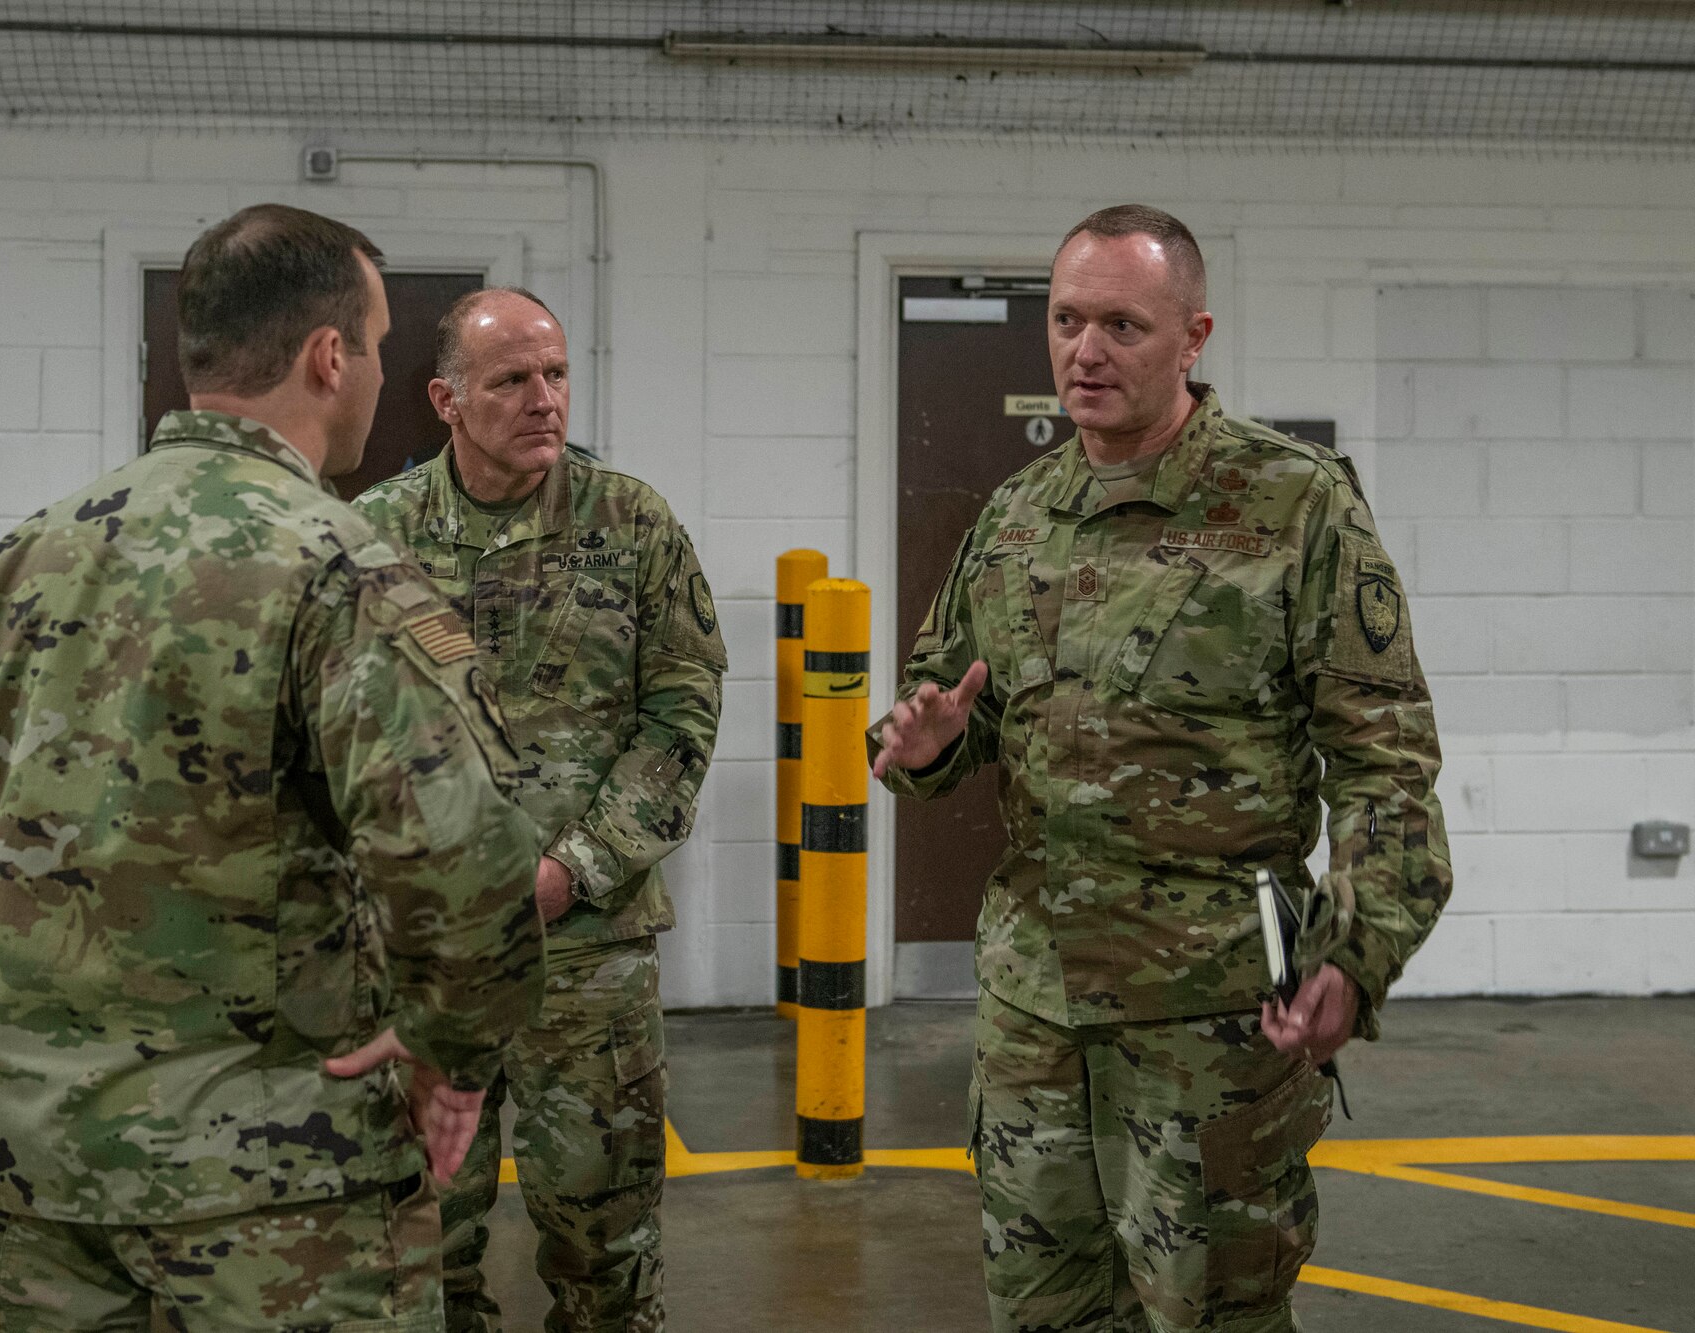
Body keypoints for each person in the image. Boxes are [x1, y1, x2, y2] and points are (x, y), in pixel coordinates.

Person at [0, 204, 546, 1332]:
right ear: (330, 357)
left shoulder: (41, 546)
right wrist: (451, 1048)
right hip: (274, 1180)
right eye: (372, 345)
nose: (370, 371)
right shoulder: (341, 567)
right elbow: (460, 845)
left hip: (46, 1162)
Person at [869, 204, 1451, 1333]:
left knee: (1211, 1315)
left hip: (1213, 1025)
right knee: (1044, 1314)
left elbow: (1384, 762)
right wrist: (924, 748)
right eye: (1066, 319)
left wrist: (1356, 948)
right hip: (1034, 1017)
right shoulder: (1014, 516)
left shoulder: (1293, 503)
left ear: (1193, 337)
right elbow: (944, 708)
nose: (1083, 351)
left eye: (1122, 325)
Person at [355, 287, 727, 1332]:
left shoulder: (633, 525)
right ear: (446, 397)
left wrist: (575, 868)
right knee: (421, 1250)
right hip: (429, 960)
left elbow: (680, 721)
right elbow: (336, 738)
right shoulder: (374, 541)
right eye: (512, 379)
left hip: (588, 959)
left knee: (604, 1254)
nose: (543, 398)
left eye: (555, 374)